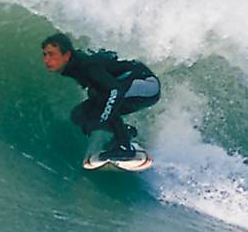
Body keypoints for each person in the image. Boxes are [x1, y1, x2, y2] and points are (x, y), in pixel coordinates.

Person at [40, 32, 161, 168]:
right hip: (127, 84)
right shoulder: (75, 64)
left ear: (67, 55)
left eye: (52, 54)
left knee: (105, 100)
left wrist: (103, 119)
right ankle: (125, 132)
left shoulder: (86, 66)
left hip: (147, 85)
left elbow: (115, 91)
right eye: (45, 54)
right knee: (79, 114)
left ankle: (124, 147)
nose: (46, 60)